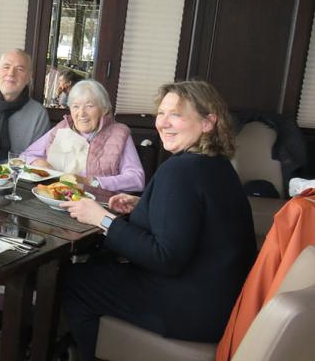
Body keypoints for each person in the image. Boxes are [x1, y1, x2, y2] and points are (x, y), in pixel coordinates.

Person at [59, 80, 257, 361]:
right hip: (221, 301)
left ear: (208, 122)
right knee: (97, 270)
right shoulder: (219, 165)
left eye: (176, 114)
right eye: (161, 113)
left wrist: (102, 219)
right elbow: (197, 218)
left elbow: (165, 257)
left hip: (188, 308)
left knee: (73, 279)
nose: (163, 123)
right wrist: (145, 205)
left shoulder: (180, 170)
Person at [20, 79, 144, 192]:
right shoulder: (61, 128)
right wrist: (38, 162)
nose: (81, 113)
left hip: (95, 203)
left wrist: (93, 182)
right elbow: (24, 157)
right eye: (75, 106)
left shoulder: (119, 134)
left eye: (89, 106)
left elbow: (137, 179)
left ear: (104, 109)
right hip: (52, 196)